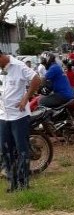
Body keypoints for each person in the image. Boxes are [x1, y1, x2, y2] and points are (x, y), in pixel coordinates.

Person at [0, 50, 41, 192]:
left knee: (22, 150)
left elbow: (36, 78)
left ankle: (23, 184)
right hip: (3, 116)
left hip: (19, 116)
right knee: (5, 150)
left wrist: (26, 97)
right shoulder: (1, 70)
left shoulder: (18, 66)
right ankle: (13, 183)